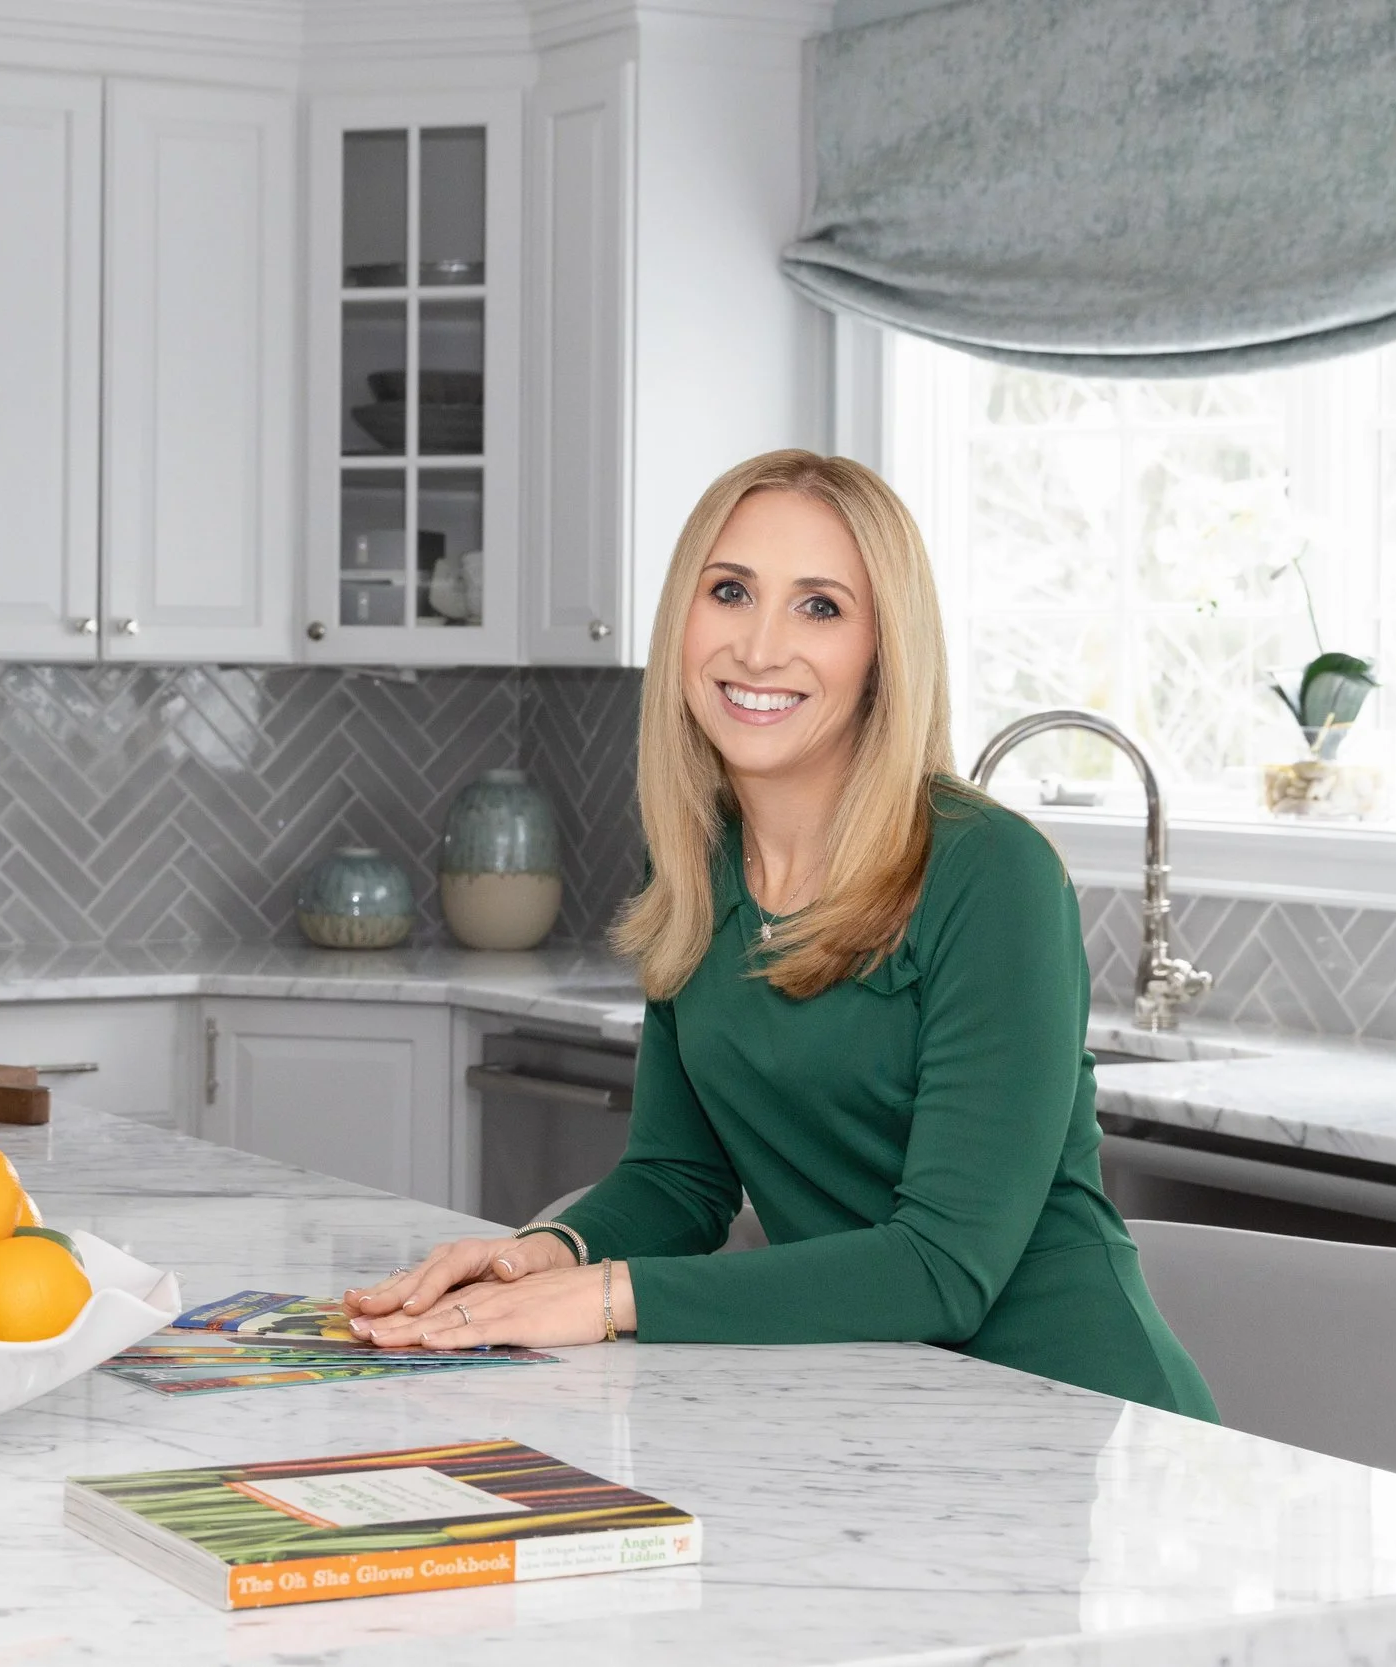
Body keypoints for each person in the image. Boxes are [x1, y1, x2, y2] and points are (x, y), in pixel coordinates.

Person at [342, 449, 1216, 1420]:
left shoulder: (989, 870)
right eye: (729, 591)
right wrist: (536, 1256)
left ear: (884, 651)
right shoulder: (692, 866)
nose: (758, 648)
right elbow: (680, 1178)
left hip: (1076, 1412)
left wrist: (605, 1296)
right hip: (876, 1402)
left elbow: (943, 1265)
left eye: (819, 606)